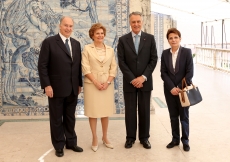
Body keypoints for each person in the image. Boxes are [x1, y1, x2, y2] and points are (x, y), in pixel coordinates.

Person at [38, 16, 83, 157]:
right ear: (60, 26)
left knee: (70, 117)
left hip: (72, 87)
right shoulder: (49, 42)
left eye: (70, 26)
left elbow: (77, 65)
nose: (68, 28)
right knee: (57, 118)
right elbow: (42, 65)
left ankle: (71, 142)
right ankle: (59, 145)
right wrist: (47, 85)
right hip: (55, 88)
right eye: (65, 25)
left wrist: (79, 83)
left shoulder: (76, 44)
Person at [117, 11, 158, 149]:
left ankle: (145, 138)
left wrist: (143, 77)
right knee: (130, 111)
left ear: (142, 22)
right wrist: (132, 79)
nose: (136, 24)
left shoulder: (150, 38)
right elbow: (121, 62)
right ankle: (130, 138)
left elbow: (153, 59)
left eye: (138, 21)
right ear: (130, 23)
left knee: (145, 110)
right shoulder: (123, 40)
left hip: (145, 82)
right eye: (133, 22)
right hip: (130, 83)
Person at [81, 23, 117, 152]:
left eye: (102, 33)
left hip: (107, 85)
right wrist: (96, 82)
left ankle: (105, 137)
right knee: (93, 112)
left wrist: (107, 82)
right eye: (97, 33)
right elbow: (85, 67)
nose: (100, 35)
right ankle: (95, 138)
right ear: (92, 35)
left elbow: (113, 67)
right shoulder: (87, 49)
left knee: (105, 112)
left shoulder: (110, 50)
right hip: (92, 85)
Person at [160, 28, 193, 152]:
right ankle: (175, 139)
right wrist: (172, 87)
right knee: (173, 116)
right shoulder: (165, 53)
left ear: (180, 38)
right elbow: (163, 73)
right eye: (170, 38)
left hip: (183, 91)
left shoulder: (187, 52)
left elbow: (190, 73)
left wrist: (178, 87)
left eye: (175, 37)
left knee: (184, 117)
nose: (173, 40)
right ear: (168, 40)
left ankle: (185, 141)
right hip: (169, 90)